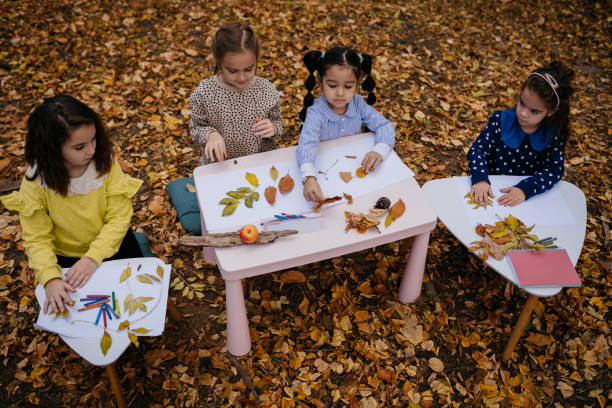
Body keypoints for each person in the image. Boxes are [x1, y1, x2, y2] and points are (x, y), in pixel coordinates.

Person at [0, 95, 143, 314]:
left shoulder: (104, 164)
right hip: (66, 256)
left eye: (94, 139)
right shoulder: (36, 182)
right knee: (82, 312)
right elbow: (37, 237)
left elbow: (119, 218)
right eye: (79, 147)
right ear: (52, 149)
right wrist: (50, 278)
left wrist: (92, 258)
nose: (91, 150)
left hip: (112, 244)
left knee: (132, 299)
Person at [468, 61, 574, 207]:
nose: (523, 113)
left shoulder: (551, 135)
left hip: (526, 202)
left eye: (534, 111)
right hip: (492, 190)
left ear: (550, 112)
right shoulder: (500, 120)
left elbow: (554, 170)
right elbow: (478, 150)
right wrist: (480, 178)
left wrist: (526, 189)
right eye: (522, 103)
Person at [296, 46, 395, 202]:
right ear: (321, 82)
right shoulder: (316, 113)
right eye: (332, 85)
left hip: (355, 171)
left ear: (357, 84)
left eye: (348, 86)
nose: (340, 93)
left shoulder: (358, 104)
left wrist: (379, 150)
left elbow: (385, 126)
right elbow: (306, 144)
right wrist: (308, 177)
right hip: (327, 173)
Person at [189, 22, 284, 164]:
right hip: (221, 166)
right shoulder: (205, 93)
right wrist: (211, 135)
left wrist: (274, 128)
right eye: (232, 71)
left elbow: (278, 124)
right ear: (219, 61)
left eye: (249, 69)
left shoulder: (266, 90)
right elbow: (196, 127)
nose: (242, 78)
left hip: (259, 163)